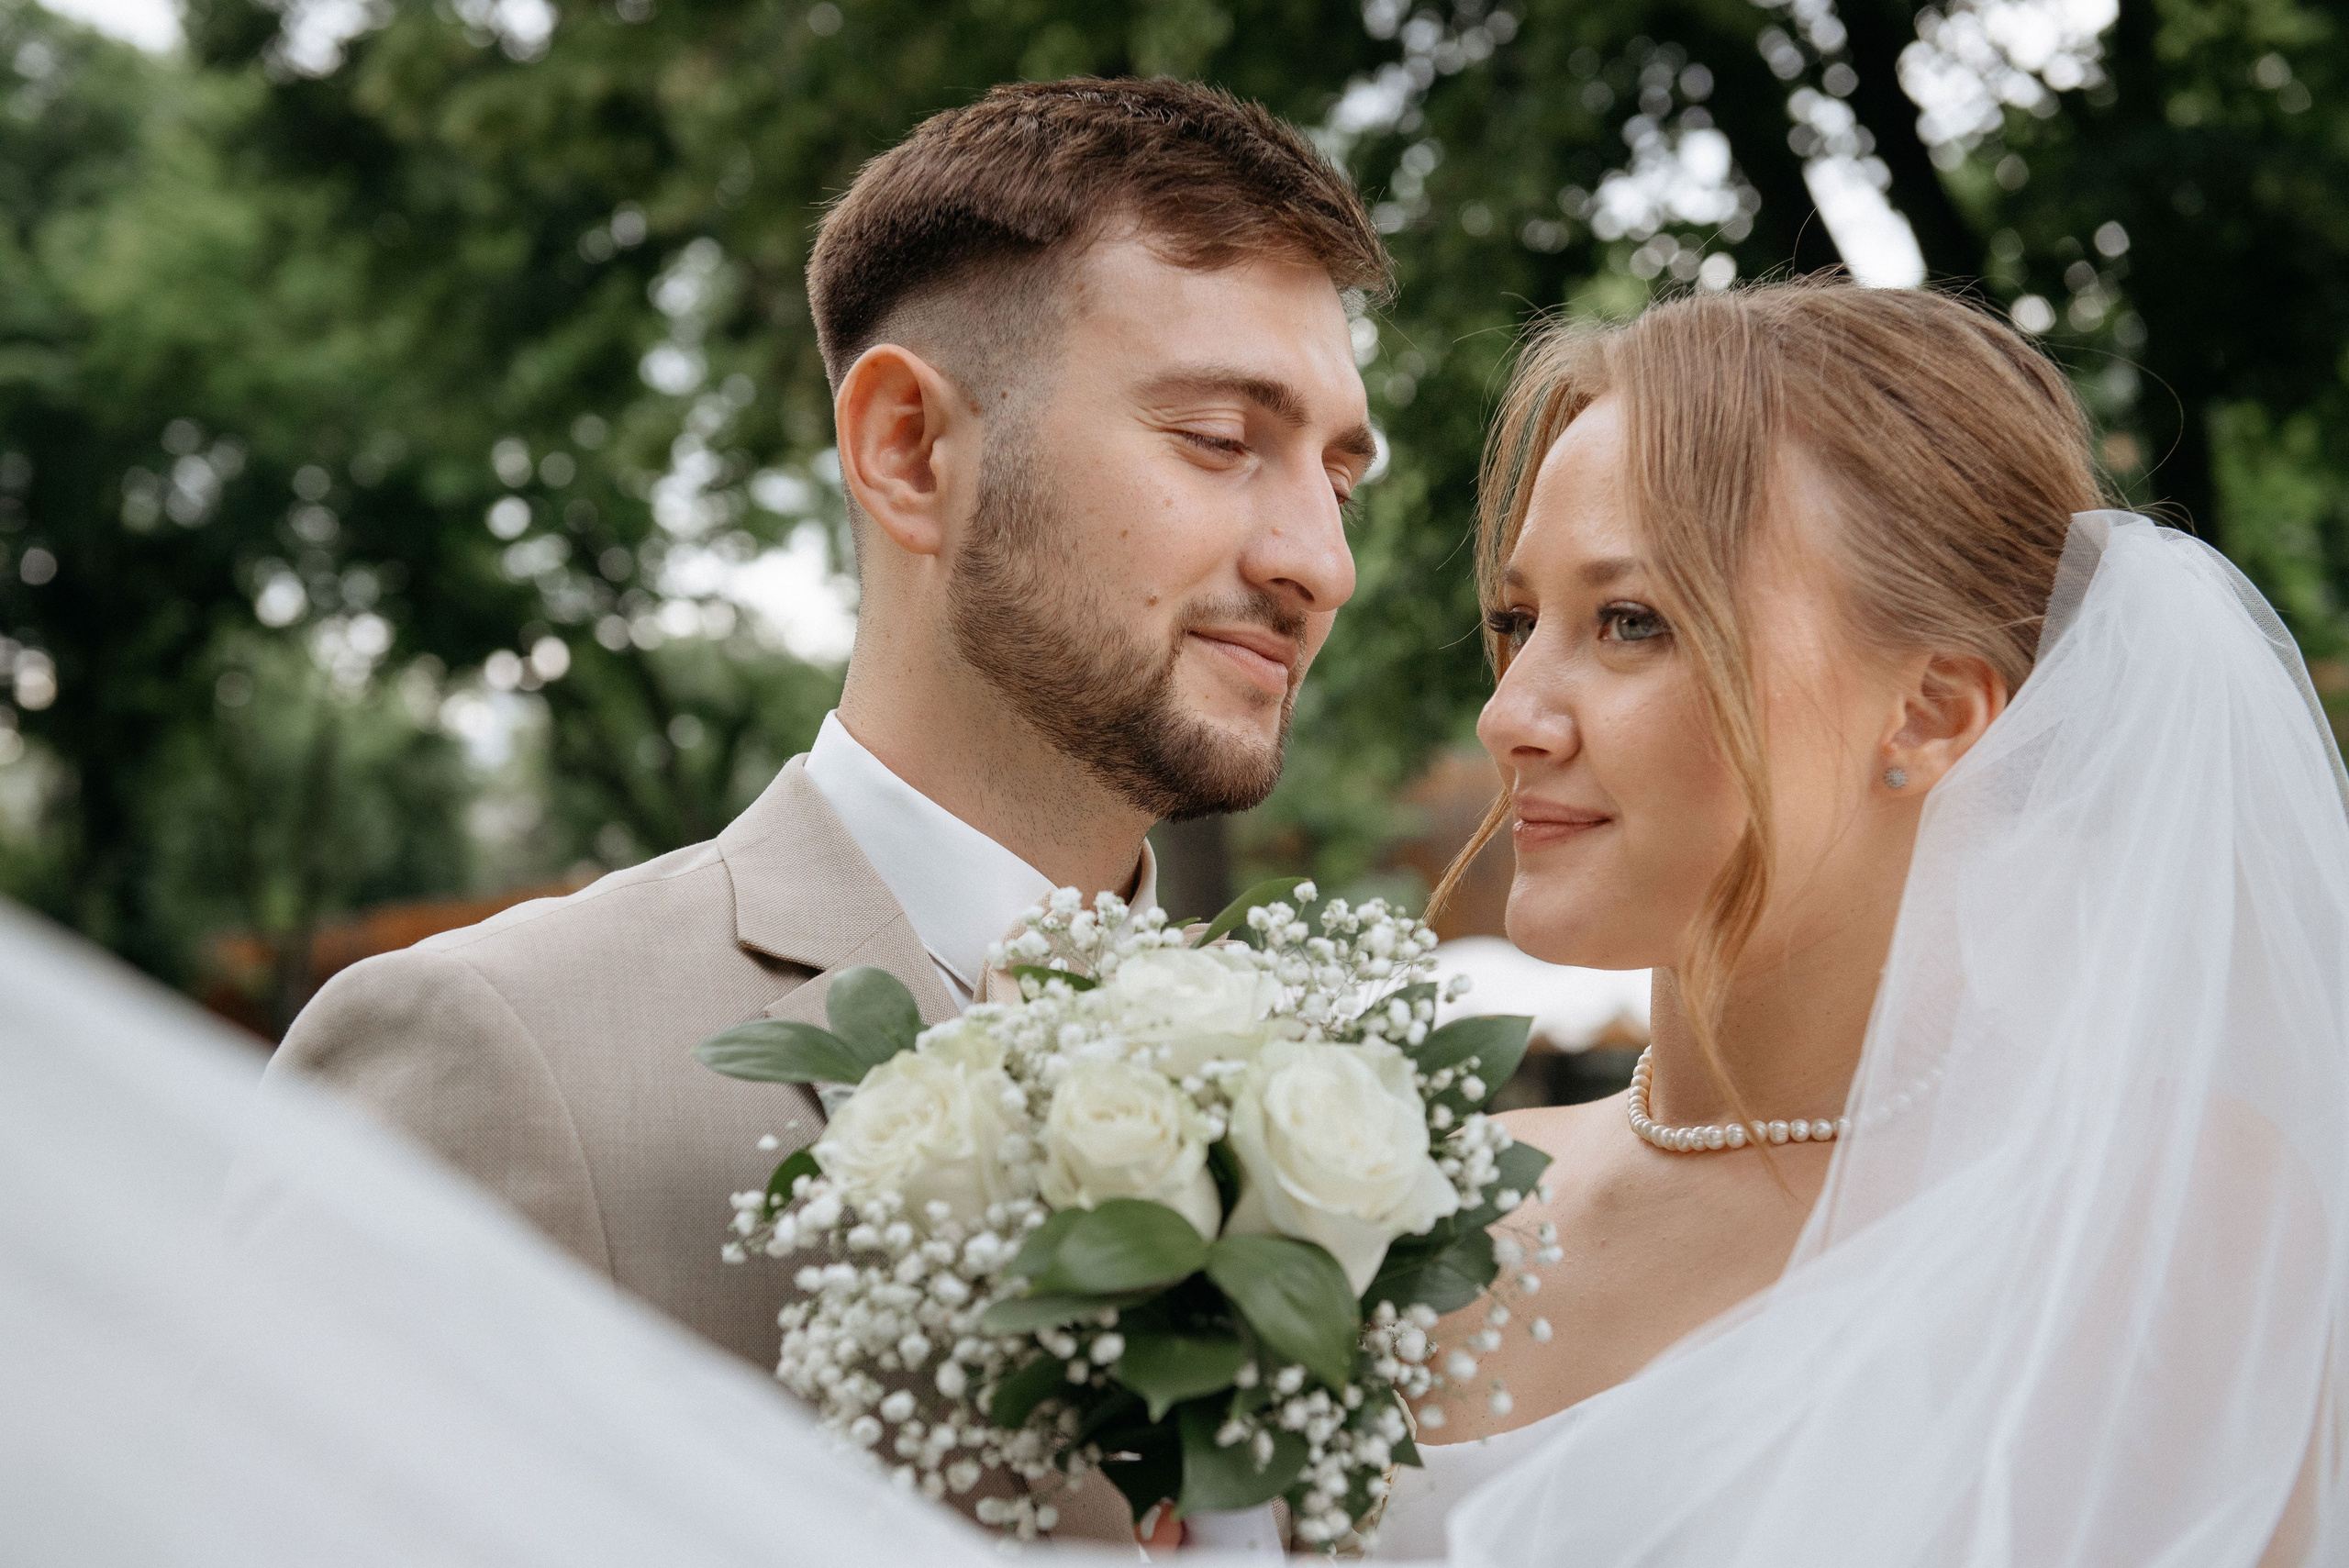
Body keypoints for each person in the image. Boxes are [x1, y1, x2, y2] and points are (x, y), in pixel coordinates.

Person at [264, 75, 1385, 1547]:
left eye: (1341, 476)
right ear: (909, 450)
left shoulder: (1339, 1124)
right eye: (1223, 438)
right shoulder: (496, 1056)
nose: (1321, 562)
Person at [1364, 279, 2349, 1564]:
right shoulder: (1401, 1207)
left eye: (1631, 622)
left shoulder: (2162, 1223)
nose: (1510, 716)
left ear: (1930, 713)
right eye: (1516, 621)